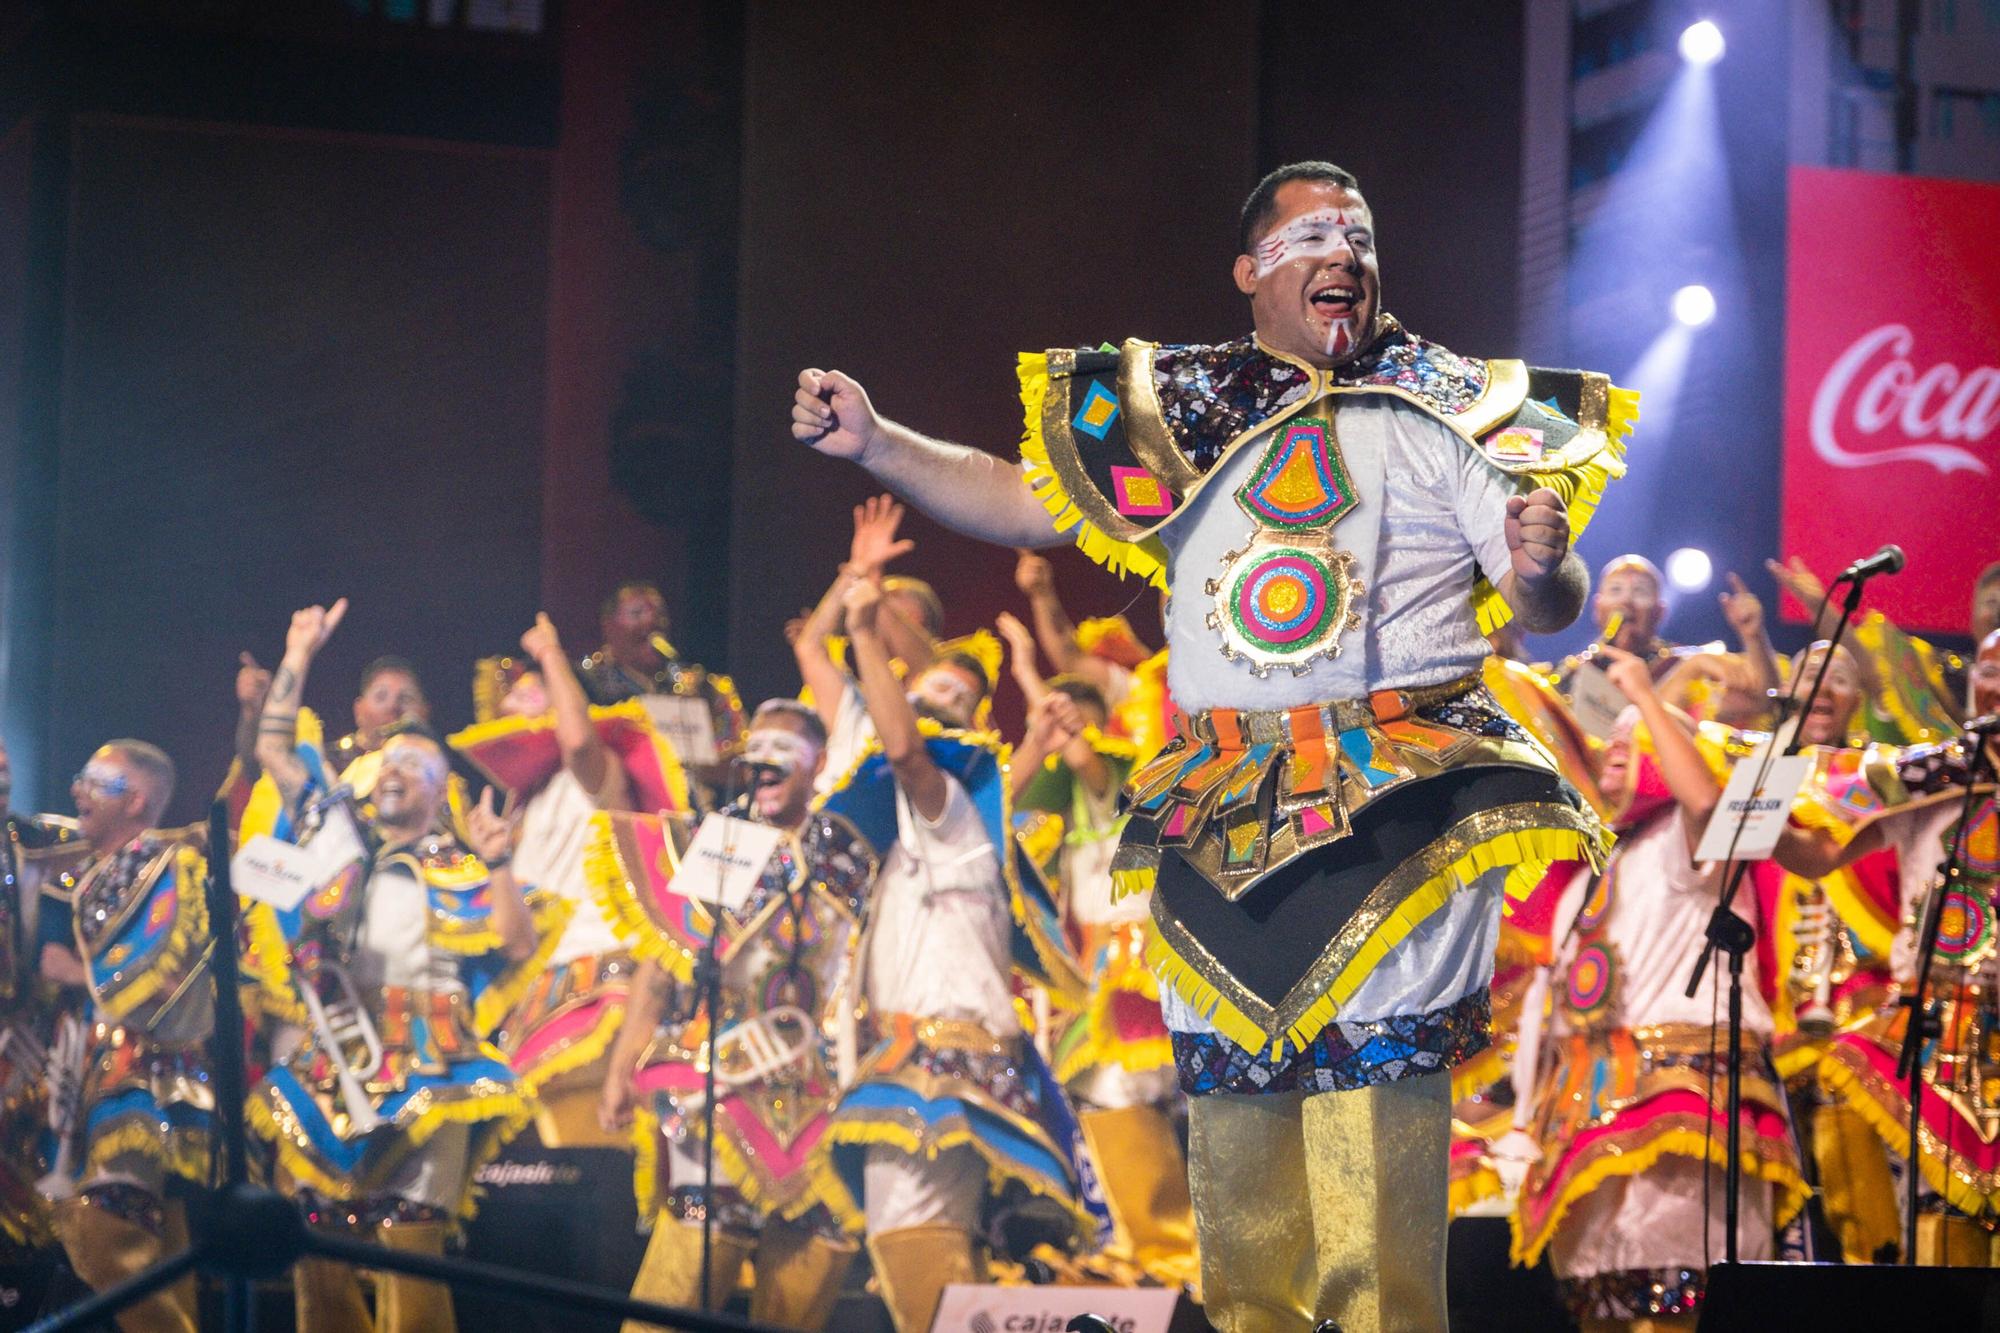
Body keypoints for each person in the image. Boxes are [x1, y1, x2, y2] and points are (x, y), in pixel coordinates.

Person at [788, 159, 1629, 1330]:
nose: (1344, 254)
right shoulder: (1180, 414)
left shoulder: (1449, 409)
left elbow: (1540, 596)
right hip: (1218, 808)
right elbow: (1024, 500)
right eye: (1313, 238)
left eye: (1361, 235)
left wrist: (1543, 566)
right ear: (1249, 273)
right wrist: (880, 444)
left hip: (1393, 805)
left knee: (1370, 1193)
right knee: (1242, 1202)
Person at [247, 600, 541, 1333]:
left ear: (442, 790)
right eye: (386, 760)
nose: (393, 770)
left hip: (434, 1056)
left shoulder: (462, 864)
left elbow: (516, 943)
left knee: (411, 1238)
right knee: (315, 1237)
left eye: (414, 762)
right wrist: (298, 652)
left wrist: (500, 861)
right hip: (340, 1049)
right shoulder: (343, 846)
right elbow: (277, 752)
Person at [812, 576, 1090, 1333]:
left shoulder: (952, 814)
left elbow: (903, 751)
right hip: (942, 1061)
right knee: (942, 1265)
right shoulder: (930, 835)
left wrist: (866, 634)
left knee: (912, 1248)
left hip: (937, 1065)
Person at [1496, 651, 1806, 1329]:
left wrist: (1640, 688)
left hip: (1681, 1109)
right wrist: (1523, 1123)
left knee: (1681, 1303)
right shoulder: (1587, 877)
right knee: (1599, 1304)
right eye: (1611, 742)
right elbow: (1548, 1010)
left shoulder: (1693, 844)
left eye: (1634, 741)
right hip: (1584, 1114)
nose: (1613, 754)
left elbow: (1704, 798)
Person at [593, 699, 874, 1331]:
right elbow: (667, 960)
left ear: (819, 765)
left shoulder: (848, 854)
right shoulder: (720, 842)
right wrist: (620, 1066)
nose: (766, 760)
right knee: (698, 1240)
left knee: (813, 1258)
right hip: (717, 1083)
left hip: (819, 1095)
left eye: (785, 750)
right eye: (759, 746)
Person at [1774, 627, 2000, 1266]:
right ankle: (1878, 1267)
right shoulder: (1928, 775)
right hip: (1927, 1020)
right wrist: (1750, 824)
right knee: (1847, 1083)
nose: (1995, 685)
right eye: (1986, 671)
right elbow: (1820, 855)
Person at [449, 614, 693, 1149]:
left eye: (538, 694)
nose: (520, 707)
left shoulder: (595, 771)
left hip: (602, 995)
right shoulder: (518, 805)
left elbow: (579, 742)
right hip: (535, 1003)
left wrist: (551, 652)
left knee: (599, 1158)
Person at [1009, 677, 1197, 1289]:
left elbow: (1093, 768)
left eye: (1083, 728)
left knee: (1128, 1088)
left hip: (1141, 966)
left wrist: (1070, 730)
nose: (1074, 743)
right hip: (1095, 975)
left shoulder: (1122, 774)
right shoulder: (1063, 804)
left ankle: (1169, 1249)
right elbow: (1003, 807)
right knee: (1102, 1095)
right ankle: (1137, 1242)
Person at [50, 740, 209, 1333]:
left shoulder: (167, 864)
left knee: (102, 1232)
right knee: (162, 1256)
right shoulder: (92, 870)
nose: (77, 792)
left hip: (143, 1077)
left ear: (136, 799)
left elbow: (157, 975)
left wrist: (74, 971)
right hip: (105, 1075)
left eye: (96, 782)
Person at [793, 497, 942, 791]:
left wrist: (874, 585)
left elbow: (927, 665)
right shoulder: (855, 708)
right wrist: (855, 570)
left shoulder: (934, 693)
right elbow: (809, 645)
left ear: (917, 618)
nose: (871, 600)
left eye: (892, 600)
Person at [577, 581, 747, 796]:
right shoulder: (587, 685)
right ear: (608, 625)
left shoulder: (704, 688)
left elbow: (741, 766)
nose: (652, 622)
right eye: (637, 614)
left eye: (660, 614)